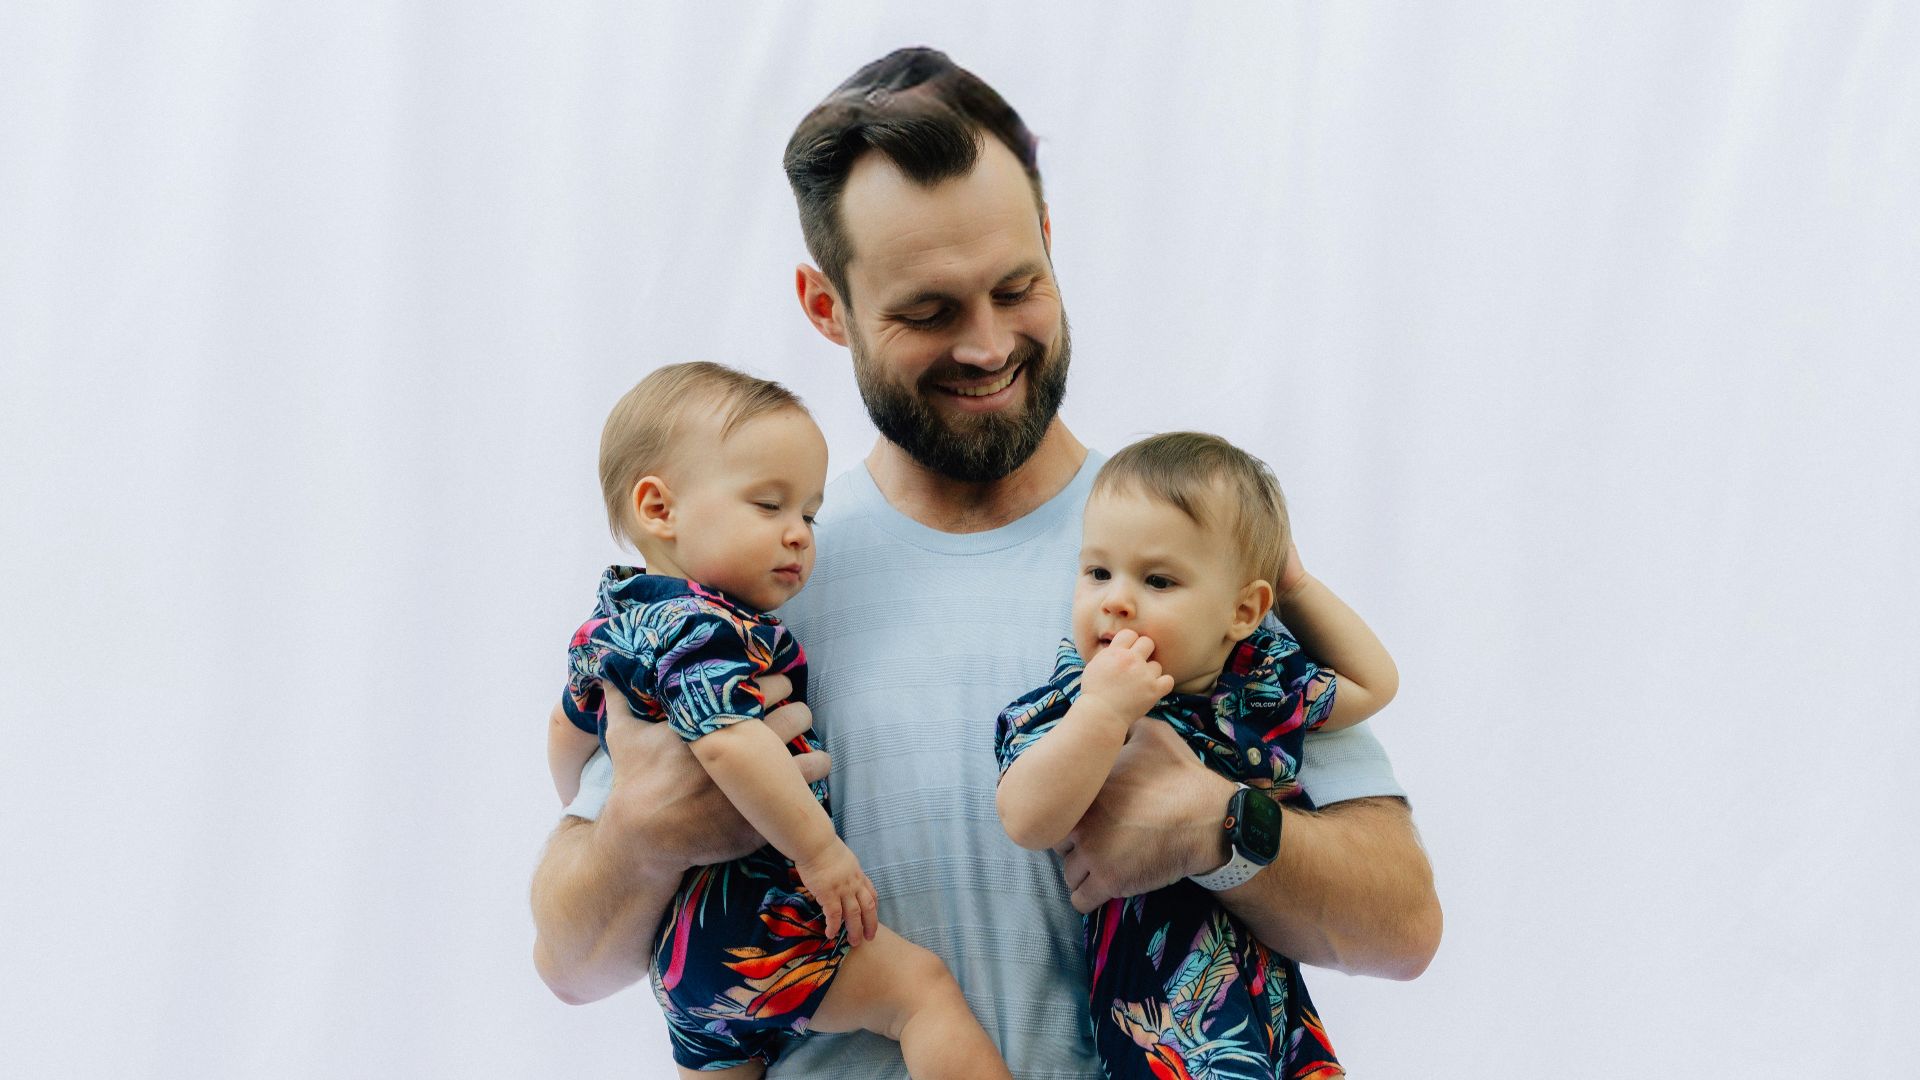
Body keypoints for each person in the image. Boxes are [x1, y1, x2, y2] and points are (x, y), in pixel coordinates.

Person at [531, 48, 1442, 1079]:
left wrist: (1221, 827)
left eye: (1018, 286)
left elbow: (1403, 924)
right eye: (928, 311)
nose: (988, 344)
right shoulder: (752, 578)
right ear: (825, 305)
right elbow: (567, 961)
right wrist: (641, 837)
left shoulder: (1180, 556)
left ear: (1050, 242)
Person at [550, 362, 1010, 1079]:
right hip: (757, 929)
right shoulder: (700, 626)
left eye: (809, 514)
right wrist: (821, 854)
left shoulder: (610, 622)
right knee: (920, 994)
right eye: (769, 507)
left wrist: (583, 802)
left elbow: (566, 733)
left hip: (683, 960)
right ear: (658, 508)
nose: (799, 535)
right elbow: (730, 744)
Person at [996, 432, 1399, 1079]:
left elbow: (1373, 685)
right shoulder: (1078, 695)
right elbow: (1025, 816)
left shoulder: (1256, 683)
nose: (1115, 599)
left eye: (1157, 580)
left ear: (1243, 611)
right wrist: (1102, 714)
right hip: (1163, 1013)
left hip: (1269, 1001)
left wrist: (1294, 583)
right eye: (1097, 571)